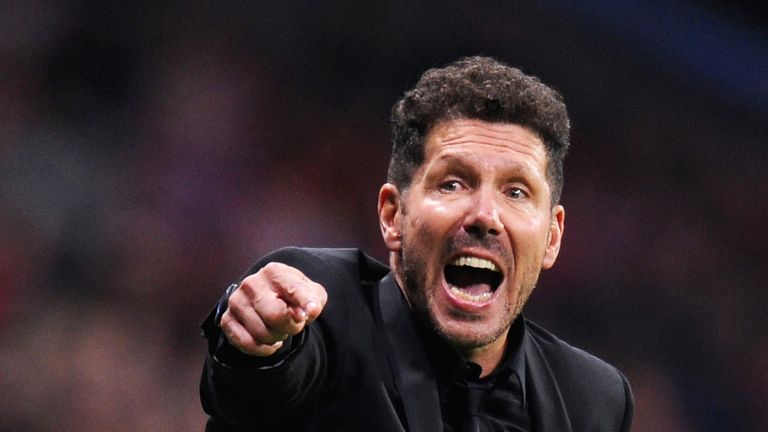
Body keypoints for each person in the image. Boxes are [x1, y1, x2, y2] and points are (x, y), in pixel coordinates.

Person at [199, 56, 634, 431]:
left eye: (516, 192)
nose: (484, 215)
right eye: (452, 183)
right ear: (393, 216)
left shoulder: (592, 401)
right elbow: (258, 386)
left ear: (553, 237)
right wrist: (257, 345)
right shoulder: (322, 312)